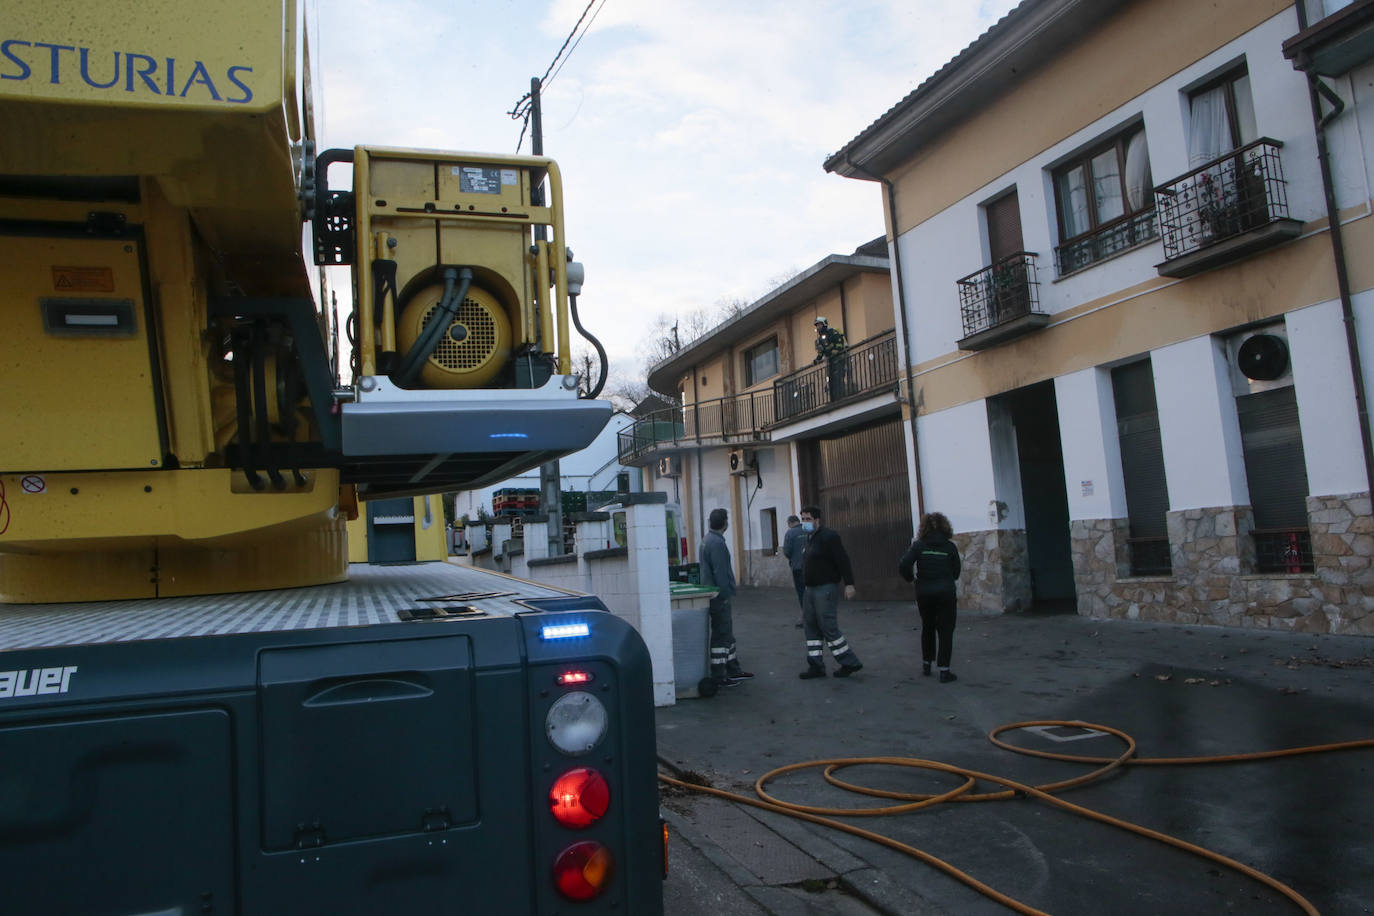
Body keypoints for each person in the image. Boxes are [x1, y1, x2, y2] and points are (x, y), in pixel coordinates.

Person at [797, 504, 862, 678]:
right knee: (810, 627)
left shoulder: (829, 537)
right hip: (809, 590)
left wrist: (849, 584)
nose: (805, 522)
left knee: (828, 627)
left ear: (817, 520)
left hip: (825, 589)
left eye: (808, 519)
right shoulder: (809, 538)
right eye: (803, 519)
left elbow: (843, 560)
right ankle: (816, 666)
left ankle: (849, 662)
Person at [898, 511, 962, 683]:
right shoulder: (950, 547)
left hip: (924, 592)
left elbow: (904, 564)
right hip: (946, 592)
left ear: (923, 527)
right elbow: (956, 570)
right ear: (945, 526)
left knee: (928, 626)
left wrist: (911, 579)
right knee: (946, 630)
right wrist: (949, 579)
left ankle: (927, 663)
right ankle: (944, 670)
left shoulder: (919, 546)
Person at [698, 508, 753, 686]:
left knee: (726, 634)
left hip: (712, 593)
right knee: (722, 634)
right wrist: (724, 594)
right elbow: (720, 572)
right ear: (725, 523)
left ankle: (733, 669)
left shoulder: (706, 540)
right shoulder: (717, 543)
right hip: (719, 595)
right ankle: (720, 675)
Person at [812, 316, 849, 401]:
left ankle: (841, 396)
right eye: (817, 325)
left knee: (839, 377)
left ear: (824, 324)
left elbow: (840, 342)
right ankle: (834, 399)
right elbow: (821, 352)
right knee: (831, 380)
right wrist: (817, 360)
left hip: (839, 359)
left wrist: (836, 350)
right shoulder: (820, 340)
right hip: (831, 361)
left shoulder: (832, 332)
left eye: (819, 325)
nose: (818, 327)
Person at [781, 514, 807, 626]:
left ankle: (805, 616)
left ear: (790, 523)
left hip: (797, 567)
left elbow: (786, 551)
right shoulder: (807, 529)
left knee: (801, 592)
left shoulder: (790, 533)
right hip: (811, 566)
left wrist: (793, 558)